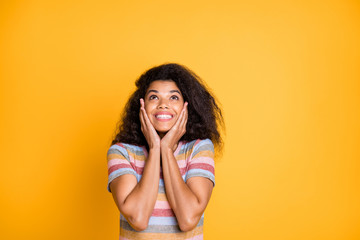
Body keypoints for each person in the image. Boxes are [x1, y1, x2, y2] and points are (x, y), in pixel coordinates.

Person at [107, 63, 224, 240]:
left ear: (186, 106)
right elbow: (137, 219)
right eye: (154, 97)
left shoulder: (199, 148)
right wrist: (155, 148)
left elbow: (188, 219)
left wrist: (166, 149)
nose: (163, 105)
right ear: (141, 106)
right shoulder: (121, 152)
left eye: (173, 98)